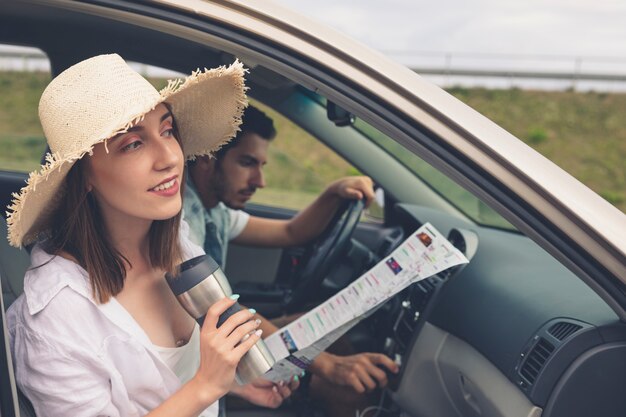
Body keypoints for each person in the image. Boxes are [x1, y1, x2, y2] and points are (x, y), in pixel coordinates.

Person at [5, 54, 297, 417]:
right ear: (85, 178)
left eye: (167, 130)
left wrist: (234, 383)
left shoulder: (176, 243)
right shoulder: (53, 319)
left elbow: (176, 385)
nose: (170, 158)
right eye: (133, 144)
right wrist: (205, 386)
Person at [184, 106, 399, 415]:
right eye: (247, 163)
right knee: (337, 380)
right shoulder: (184, 221)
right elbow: (222, 311)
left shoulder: (215, 209)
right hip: (200, 356)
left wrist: (334, 191)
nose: (260, 181)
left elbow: (290, 232)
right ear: (207, 159)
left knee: (323, 331)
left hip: (217, 340)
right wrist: (328, 366)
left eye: (262, 165)